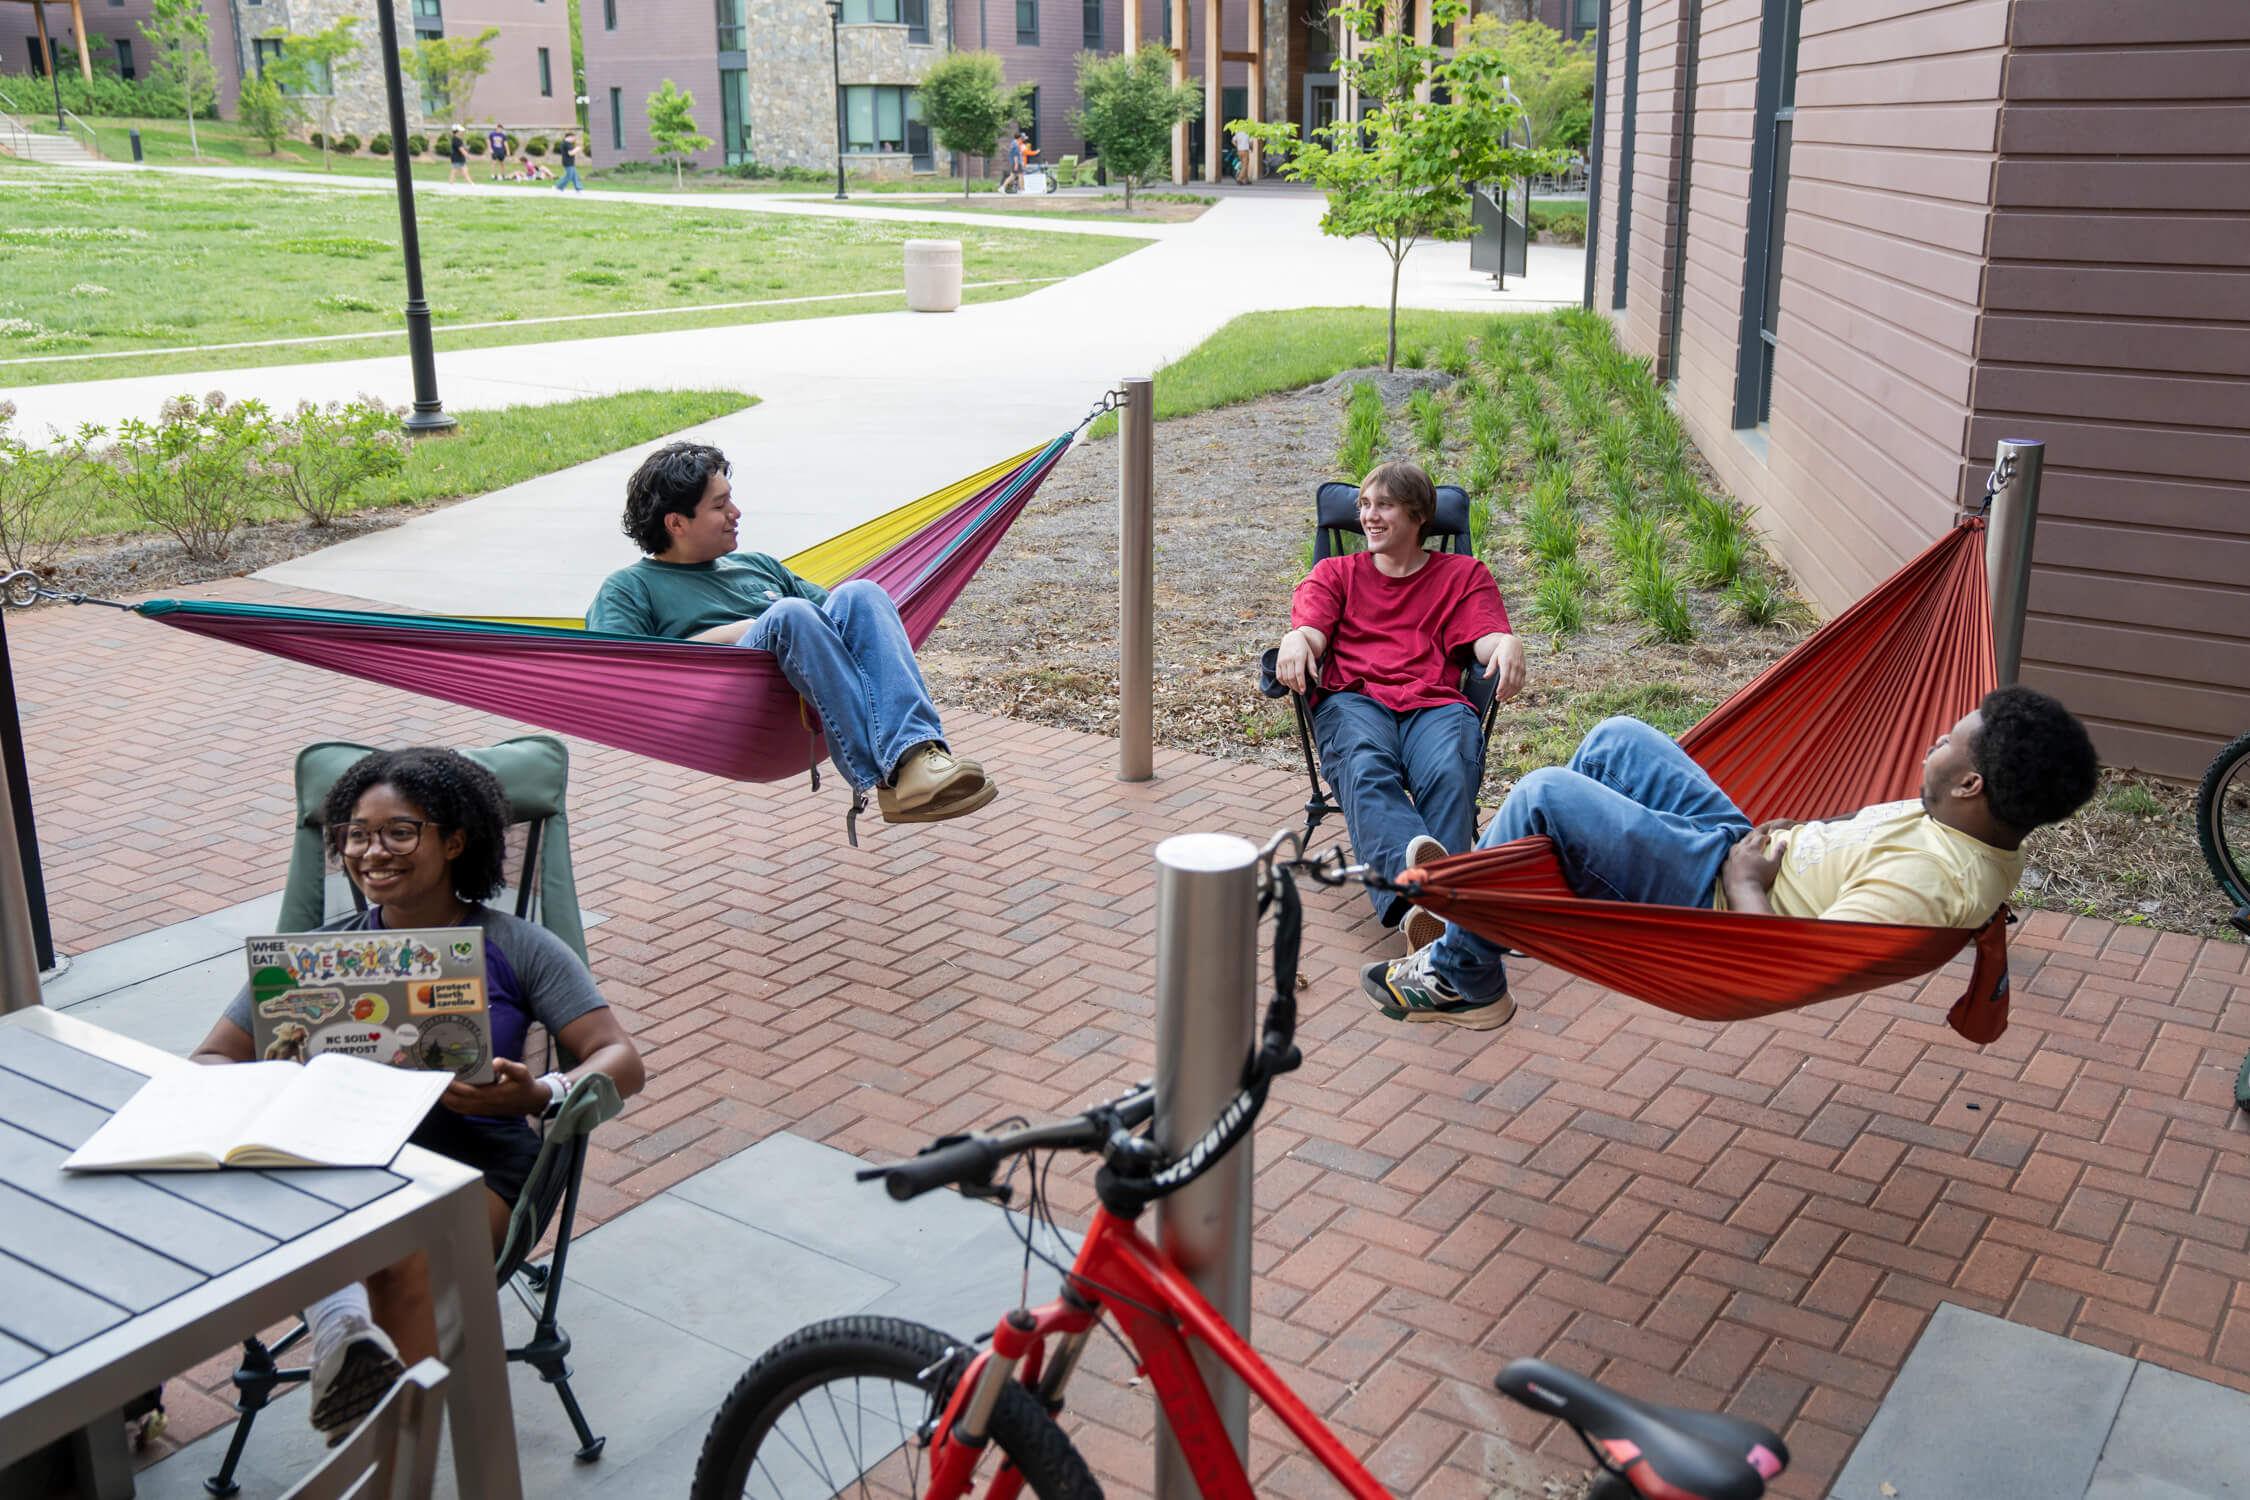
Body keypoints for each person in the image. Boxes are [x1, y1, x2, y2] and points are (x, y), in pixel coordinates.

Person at [190, 747, 646, 1441]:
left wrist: (538, 1092)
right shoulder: (314, 962)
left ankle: (381, 1423)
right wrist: (279, 1076)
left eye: (400, 832)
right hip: (343, 1158)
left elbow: (620, 1059)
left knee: (390, 1260)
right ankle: (359, 1360)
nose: (374, 851)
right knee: (316, 1215)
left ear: (454, 840)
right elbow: (212, 1059)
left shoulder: (514, 946)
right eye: (357, 834)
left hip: (472, 1159)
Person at [1363, 686, 2102, 1030]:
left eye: (1948, 740)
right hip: (1739, 854)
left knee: (1545, 795)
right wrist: (1795, 841)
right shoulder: (1968, 826)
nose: (1932, 741)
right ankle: (1498, 912)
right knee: (1616, 738)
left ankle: (1467, 976)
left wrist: (1747, 882)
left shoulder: (1932, 881)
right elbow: (1861, 851)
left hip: (1716, 908)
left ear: (1972, 784)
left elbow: (1786, 969)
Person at [587, 442, 997, 828]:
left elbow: (843, 621)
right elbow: (616, 670)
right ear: (676, 523)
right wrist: (733, 634)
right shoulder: (629, 587)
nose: (736, 511)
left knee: (862, 592)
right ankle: (890, 776)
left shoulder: (759, 565)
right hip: (733, 709)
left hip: (804, 692)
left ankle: (916, 755)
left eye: (731, 498)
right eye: (719, 504)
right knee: (791, 612)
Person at [1273, 460, 1525, 961]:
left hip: (1433, 703)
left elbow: (1485, 637)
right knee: (1365, 768)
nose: (1369, 516)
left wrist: (1508, 645)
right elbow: (1313, 629)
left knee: (1451, 769)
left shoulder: (1463, 574)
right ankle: (1438, 906)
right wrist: (1295, 638)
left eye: (1383, 505)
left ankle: (1425, 908)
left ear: (1418, 515)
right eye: (1364, 505)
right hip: (1355, 699)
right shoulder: (1335, 573)